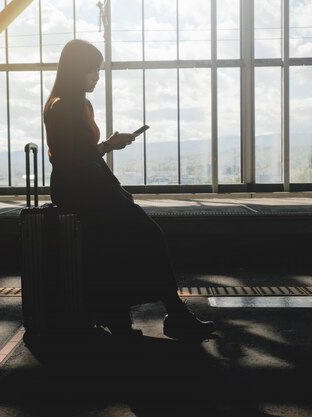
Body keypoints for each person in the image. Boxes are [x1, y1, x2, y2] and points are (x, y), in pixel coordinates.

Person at [43, 39, 215, 340]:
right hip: (79, 189)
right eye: (91, 70)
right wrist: (110, 145)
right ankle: (173, 314)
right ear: (76, 70)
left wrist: (115, 184)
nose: (96, 76)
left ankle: (120, 316)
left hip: (89, 185)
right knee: (149, 236)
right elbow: (73, 158)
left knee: (113, 247)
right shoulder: (62, 108)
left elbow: (86, 155)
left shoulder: (78, 104)